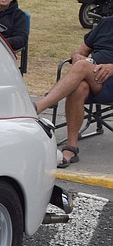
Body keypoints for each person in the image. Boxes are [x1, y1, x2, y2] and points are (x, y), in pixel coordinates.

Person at [33, 14, 113, 167]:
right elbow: (81, 51)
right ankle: (71, 147)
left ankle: (39, 106)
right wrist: (77, 56)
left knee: (82, 67)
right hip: (94, 78)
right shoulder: (106, 23)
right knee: (79, 87)